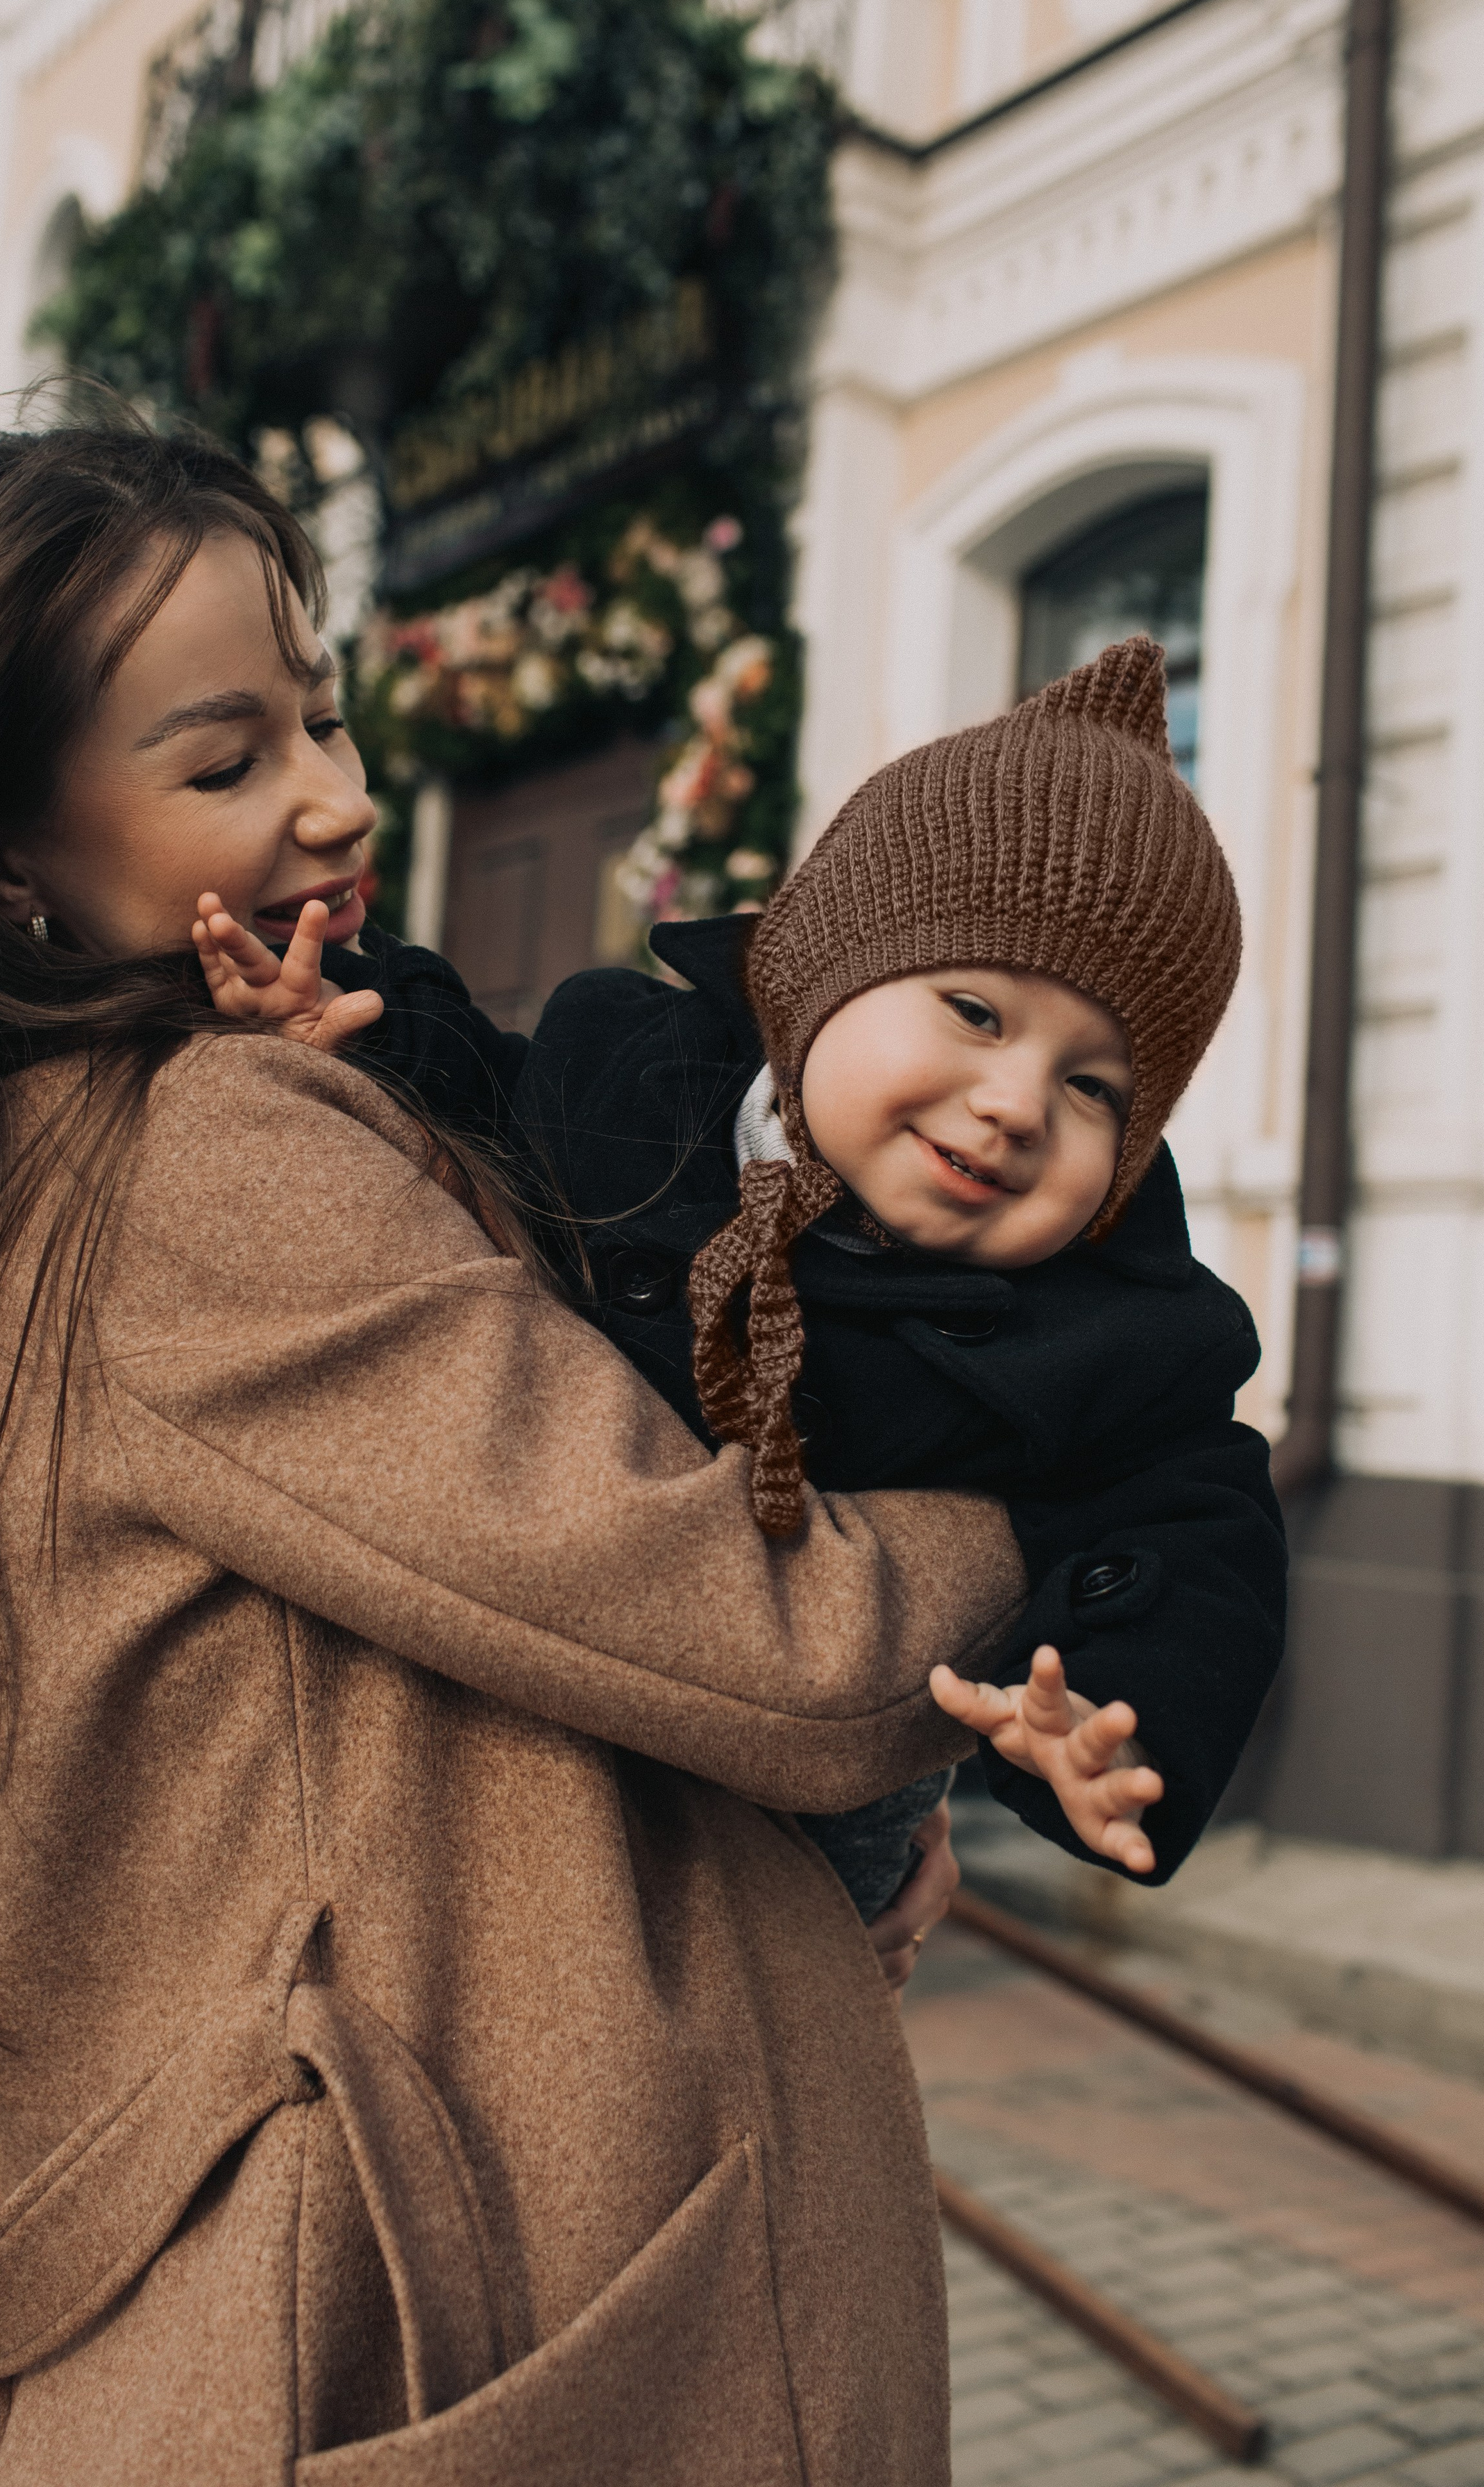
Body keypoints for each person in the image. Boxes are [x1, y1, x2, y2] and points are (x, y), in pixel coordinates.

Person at [0, 420, 1076, 2485]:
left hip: (264, 2305)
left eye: (325, 711)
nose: (340, 796)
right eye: (223, 757)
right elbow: (786, 1649)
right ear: (2, 853)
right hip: (416, 2328)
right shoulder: (202, 1159)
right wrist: (1070, 1492)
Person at [196, 638, 1287, 1918]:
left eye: (1094, 1086)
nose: (1013, 1106)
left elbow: (1200, 1527)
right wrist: (352, 1017)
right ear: (820, 972)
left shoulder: (1112, 1325)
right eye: (976, 1014)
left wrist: (1116, 1716)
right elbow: (478, 1091)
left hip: (802, 1860)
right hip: (542, 1750)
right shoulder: (630, 1078)